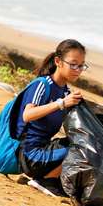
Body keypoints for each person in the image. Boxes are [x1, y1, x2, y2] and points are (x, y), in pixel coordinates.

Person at [16, 39, 87, 194]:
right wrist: (61, 103)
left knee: (85, 144)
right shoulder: (42, 85)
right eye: (73, 64)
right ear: (58, 61)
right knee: (79, 149)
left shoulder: (66, 92)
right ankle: (44, 181)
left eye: (81, 66)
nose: (78, 70)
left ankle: (49, 178)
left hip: (43, 150)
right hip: (29, 154)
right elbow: (27, 115)